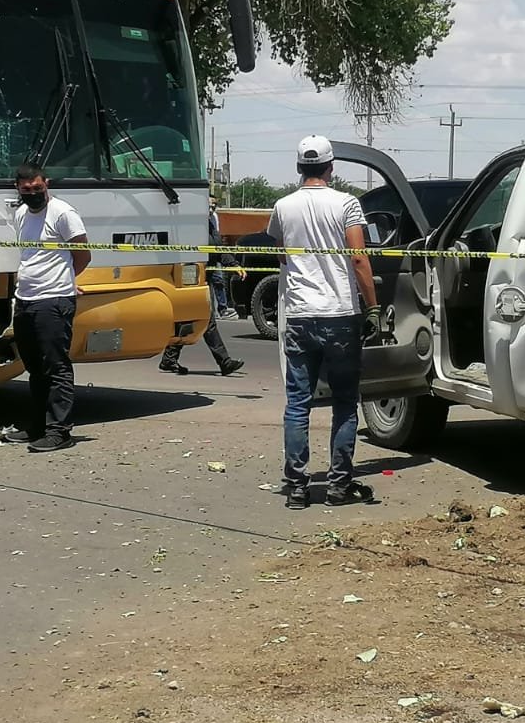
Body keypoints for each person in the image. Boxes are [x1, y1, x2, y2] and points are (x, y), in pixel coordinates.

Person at [268, 135, 381, 509]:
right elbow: (359, 259)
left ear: (299, 168)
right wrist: (373, 307)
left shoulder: (283, 207)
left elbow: (282, 256)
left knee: (297, 403)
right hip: (340, 315)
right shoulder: (347, 204)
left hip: (300, 315)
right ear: (331, 168)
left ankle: (297, 488)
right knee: (345, 403)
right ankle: (338, 486)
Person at [8, 163, 89, 453]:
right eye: (26, 189)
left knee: (56, 366)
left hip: (53, 300)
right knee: (35, 367)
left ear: (47, 184)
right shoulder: (20, 213)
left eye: (37, 188)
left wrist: (65, 280)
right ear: (18, 189)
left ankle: (59, 431)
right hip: (26, 299)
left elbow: (83, 254)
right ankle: (37, 427)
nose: (33, 193)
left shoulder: (63, 213)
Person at [158, 208, 244, 377]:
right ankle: (224, 362)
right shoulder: (187, 225)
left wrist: (233, 264)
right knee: (206, 319)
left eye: (213, 206)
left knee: (191, 318)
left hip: (204, 277)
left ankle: (169, 359)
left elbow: (217, 248)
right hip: (189, 277)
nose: (211, 209)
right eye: (208, 205)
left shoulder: (208, 225)